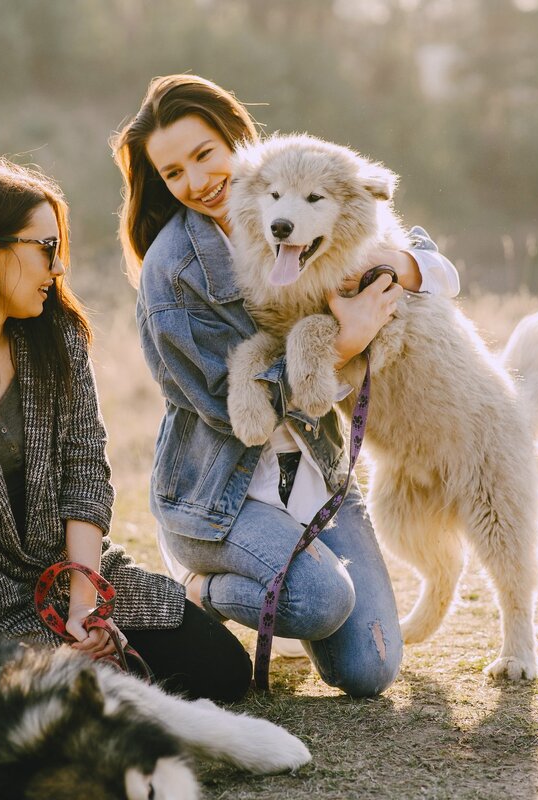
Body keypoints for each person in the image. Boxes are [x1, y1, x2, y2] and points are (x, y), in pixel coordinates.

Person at [0, 160, 252, 702]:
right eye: (45, 249)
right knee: (62, 705)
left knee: (223, 671)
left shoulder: (58, 341)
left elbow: (85, 477)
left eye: (61, 250)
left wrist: (86, 606)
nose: (58, 269)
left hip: (73, 578)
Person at [113, 75, 460, 697]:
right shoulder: (173, 272)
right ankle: (201, 587)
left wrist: (405, 266)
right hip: (220, 491)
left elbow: (422, 259)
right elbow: (230, 410)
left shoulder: (294, 186)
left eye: (203, 156)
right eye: (173, 174)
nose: (196, 182)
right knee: (323, 599)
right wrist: (346, 341)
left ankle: (291, 578)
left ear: (238, 141)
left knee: (370, 670)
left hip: (316, 469)